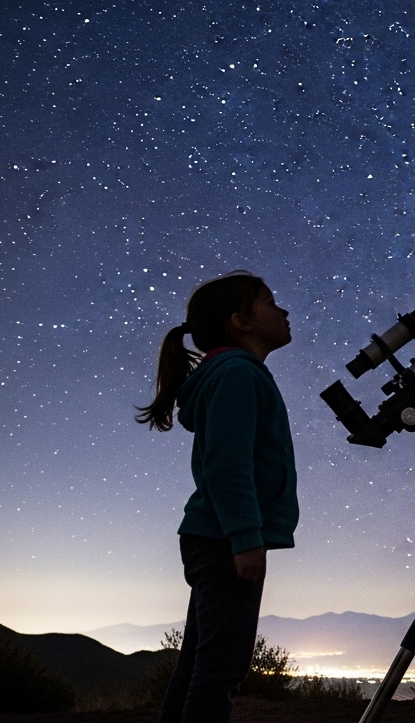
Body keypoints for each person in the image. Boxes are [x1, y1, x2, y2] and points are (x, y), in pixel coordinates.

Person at [135, 270, 298, 723]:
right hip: (226, 540)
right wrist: (246, 538)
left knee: (200, 667)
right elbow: (227, 466)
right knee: (219, 671)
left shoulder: (233, 374)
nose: (283, 311)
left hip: (214, 536)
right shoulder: (237, 375)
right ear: (240, 321)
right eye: (270, 302)